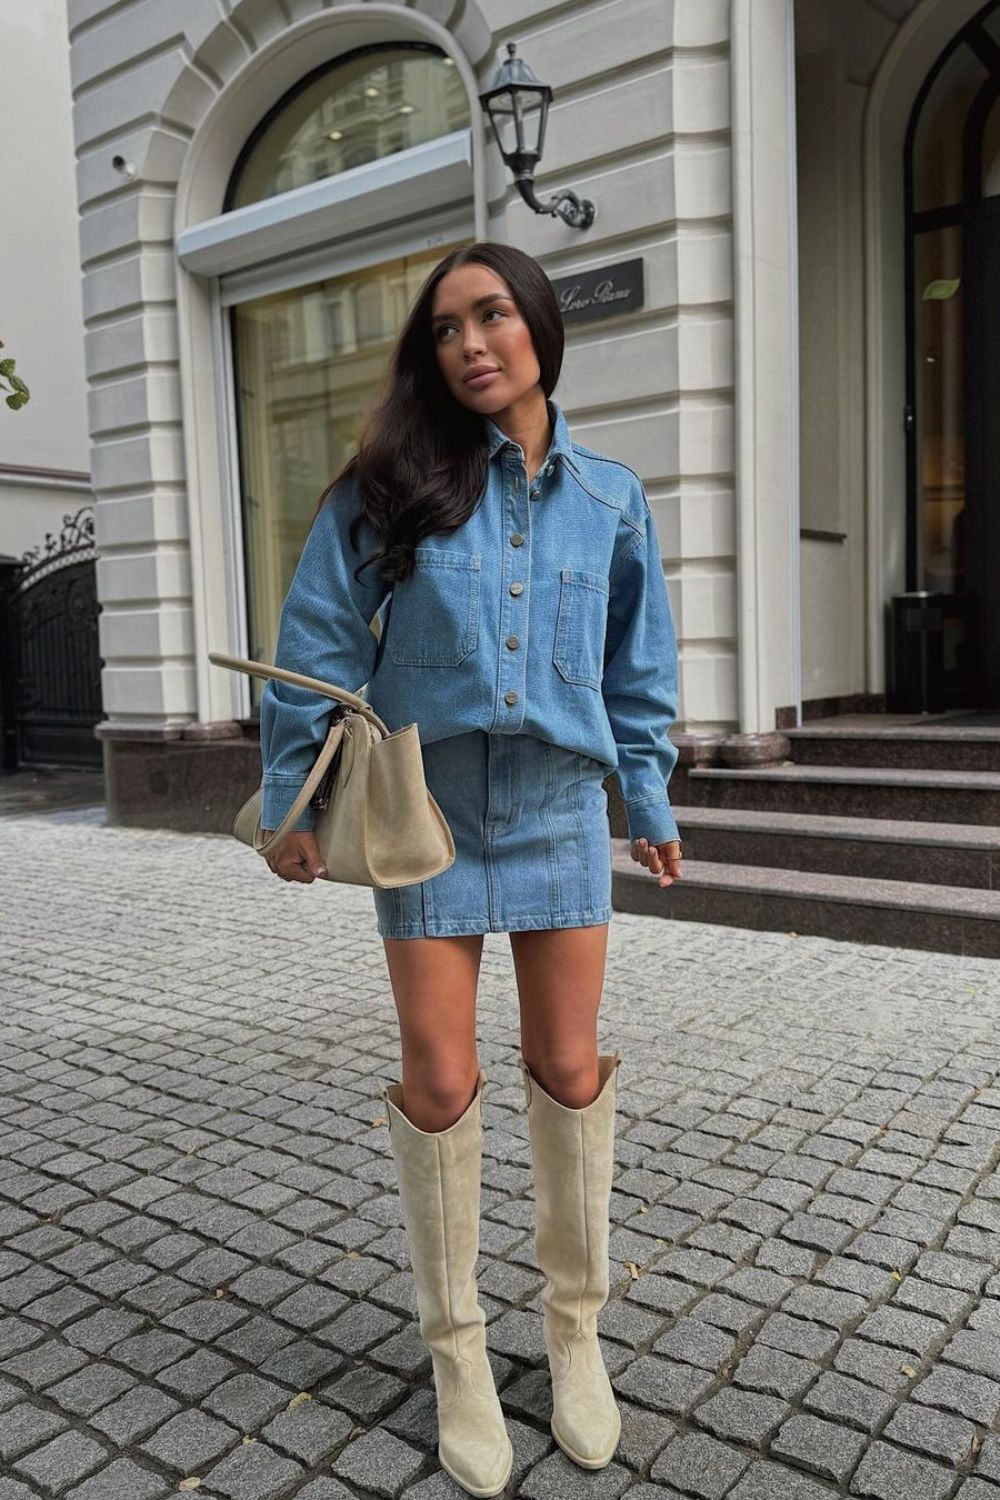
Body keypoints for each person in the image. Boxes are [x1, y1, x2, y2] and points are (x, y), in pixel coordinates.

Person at [257, 241, 682, 1496]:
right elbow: (317, 640)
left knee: (566, 1067)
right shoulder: (388, 486)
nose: (469, 344)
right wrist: (295, 798)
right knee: (439, 1080)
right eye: (444, 329)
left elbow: (634, 665)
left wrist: (644, 792)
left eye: (491, 315)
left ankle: (573, 1333)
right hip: (422, 815)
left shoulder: (611, 497)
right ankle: (455, 1351)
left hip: (554, 807)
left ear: (540, 325)